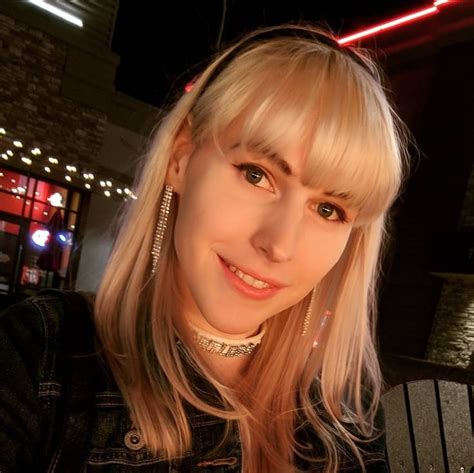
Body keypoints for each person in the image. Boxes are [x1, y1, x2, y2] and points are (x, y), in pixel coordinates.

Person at [0, 23, 408, 472]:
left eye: (329, 210)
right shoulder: (41, 360)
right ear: (181, 159)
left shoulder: (346, 425)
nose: (279, 245)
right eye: (257, 174)